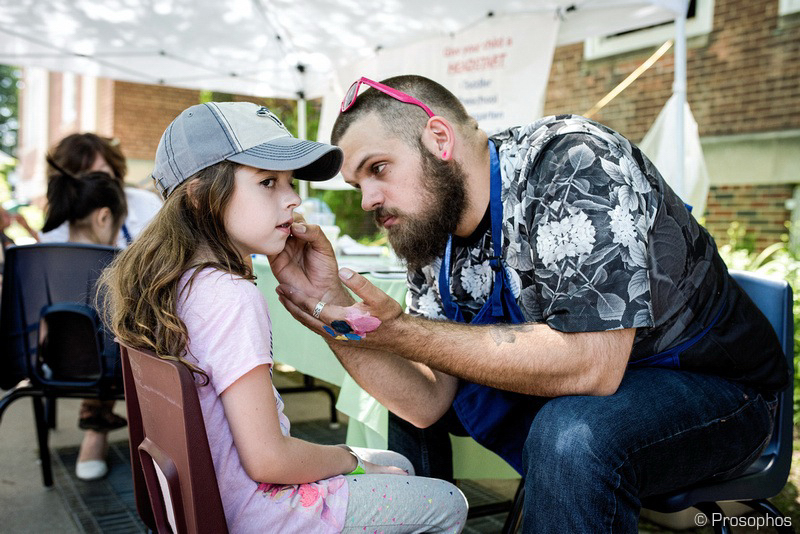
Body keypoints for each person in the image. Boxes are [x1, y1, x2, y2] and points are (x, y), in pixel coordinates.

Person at [271, 75, 791, 533]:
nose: (367, 200)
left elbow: (592, 366)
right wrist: (334, 314)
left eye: (378, 168)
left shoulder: (572, 162)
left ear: (439, 139)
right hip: (598, 384)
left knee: (573, 434)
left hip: (720, 390)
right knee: (406, 409)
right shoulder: (429, 226)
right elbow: (427, 402)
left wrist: (400, 331)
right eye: (358, 184)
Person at [100, 101, 468, 533]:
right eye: (267, 182)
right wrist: (350, 460)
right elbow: (269, 459)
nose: (293, 198)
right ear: (200, 196)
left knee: (398, 462)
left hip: (210, 499)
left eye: (289, 182)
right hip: (260, 511)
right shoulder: (230, 295)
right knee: (448, 501)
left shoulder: (172, 284)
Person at [41, 157, 128, 481]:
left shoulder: (39, 261)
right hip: (112, 370)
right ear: (104, 217)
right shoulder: (119, 263)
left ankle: (96, 427)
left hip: (49, 367)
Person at [41, 133, 162, 247]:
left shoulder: (147, 204)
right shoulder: (54, 232)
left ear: (115, 171)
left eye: (102, 174)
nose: (97, 185)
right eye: (87, 178)